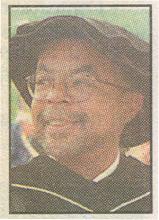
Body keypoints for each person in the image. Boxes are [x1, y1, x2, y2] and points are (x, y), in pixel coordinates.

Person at [10, 15, 151, 213]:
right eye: (42, 81)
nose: (53, 95)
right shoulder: (12, 192)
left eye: (80, 82)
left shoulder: (148, 192)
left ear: (130, 105)